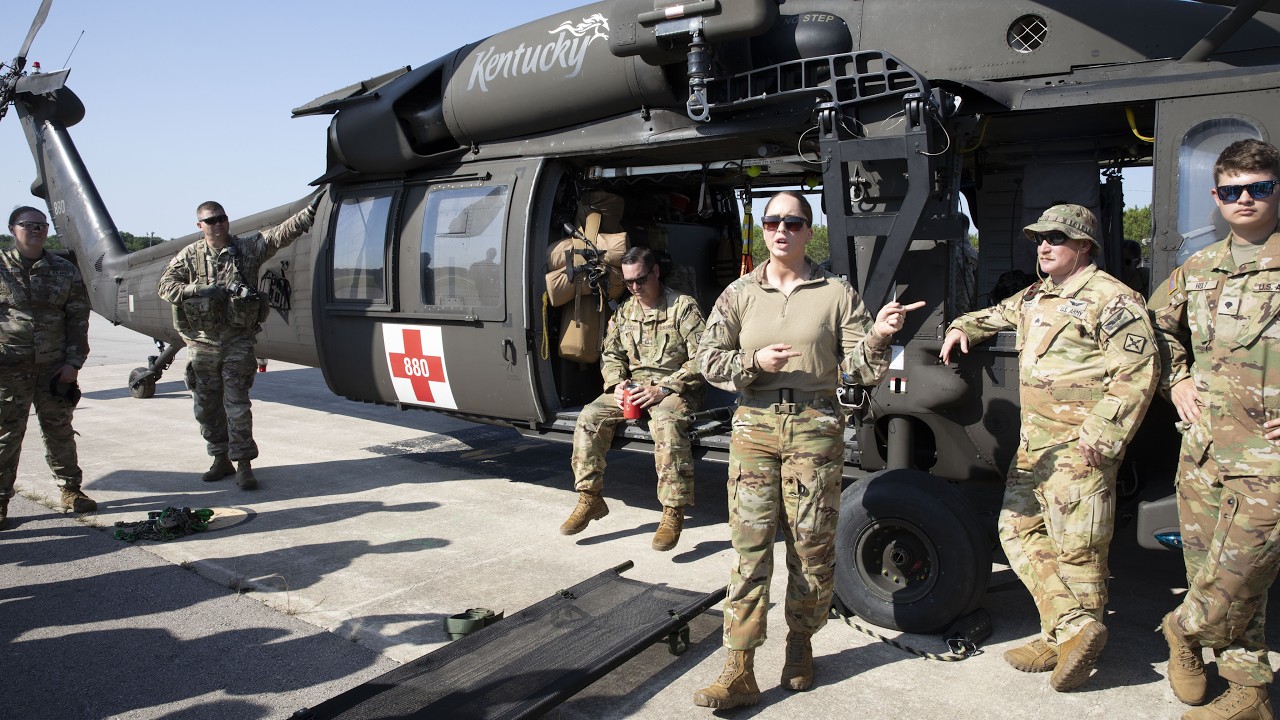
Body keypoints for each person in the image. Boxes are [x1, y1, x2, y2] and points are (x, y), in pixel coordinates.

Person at [693, 191, 921, 708]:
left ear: (805, 229)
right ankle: (739, 668)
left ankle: (801, 645)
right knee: (749, 553)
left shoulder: (836, 293)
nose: (780, 230)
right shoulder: (739, 293)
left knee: (810, 550)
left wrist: (881, 336)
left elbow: (860, 370)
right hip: (754, 426)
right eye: (771, 221)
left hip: (815, 429)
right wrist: (753, 363)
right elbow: (709, 359)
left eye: (791, 222)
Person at [940, 203, 1158, 692]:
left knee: (1077, 550)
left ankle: (1073, 646)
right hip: (1034, 450)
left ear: (1083, 246)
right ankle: (1069, 629)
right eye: (1039, 237)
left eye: (1056, 238)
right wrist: (962, 326)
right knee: (1016, 531)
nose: (1043, 245)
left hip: (1079, 448)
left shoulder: (1112, 300)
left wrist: (1097, 442)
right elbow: (994, 314)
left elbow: (1137, 375)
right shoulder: (1039, 295)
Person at [1151, 138, 1280, 720]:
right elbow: (1155, 330)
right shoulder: (1199, 268)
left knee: (1244, 567)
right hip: (1203, 450)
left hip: (1267, 456)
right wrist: (1175, 380)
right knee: (1208, 567)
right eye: (1233, 190)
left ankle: (1181, 629)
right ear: (1217, 197)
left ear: (1276, 190)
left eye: (1258, 187)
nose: (1245, 198)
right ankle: (1245, 689)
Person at [157, 192, 322, 490]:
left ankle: (244, 465)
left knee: (237, 405)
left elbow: (279, 235)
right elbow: (165, 286)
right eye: (211, 220)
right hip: (201, 344)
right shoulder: (189, 256)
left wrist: (311, 211)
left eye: (222, 218)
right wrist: (198, 290)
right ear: (200, 225)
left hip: (237, 341)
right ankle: (220, 458)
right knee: (206, 407)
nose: (218, 224)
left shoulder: (245, 249)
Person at [560, 246, 706, 551]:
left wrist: (663, 388)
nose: (635, 287)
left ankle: (672, 511)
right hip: (634, 388)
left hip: (674, 389)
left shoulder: (683, 307)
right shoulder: (626, 311)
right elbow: (611, 353)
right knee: (589, 417)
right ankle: (590, 498)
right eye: (628, 283)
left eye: (640, 279)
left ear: (654, 272)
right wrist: (617, 382)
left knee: (666, 422)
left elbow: (703, 360)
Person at [0, 206, 95, 528]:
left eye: (41, 226)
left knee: (59, 430)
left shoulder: (63, 270)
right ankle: (0, 502)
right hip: (8, 369)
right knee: (6, 436)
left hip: (54, 369)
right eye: (30, 225)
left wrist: (73, 363)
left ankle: (71, 491)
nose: (37, 230)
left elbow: (78, 318)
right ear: (14, 229)